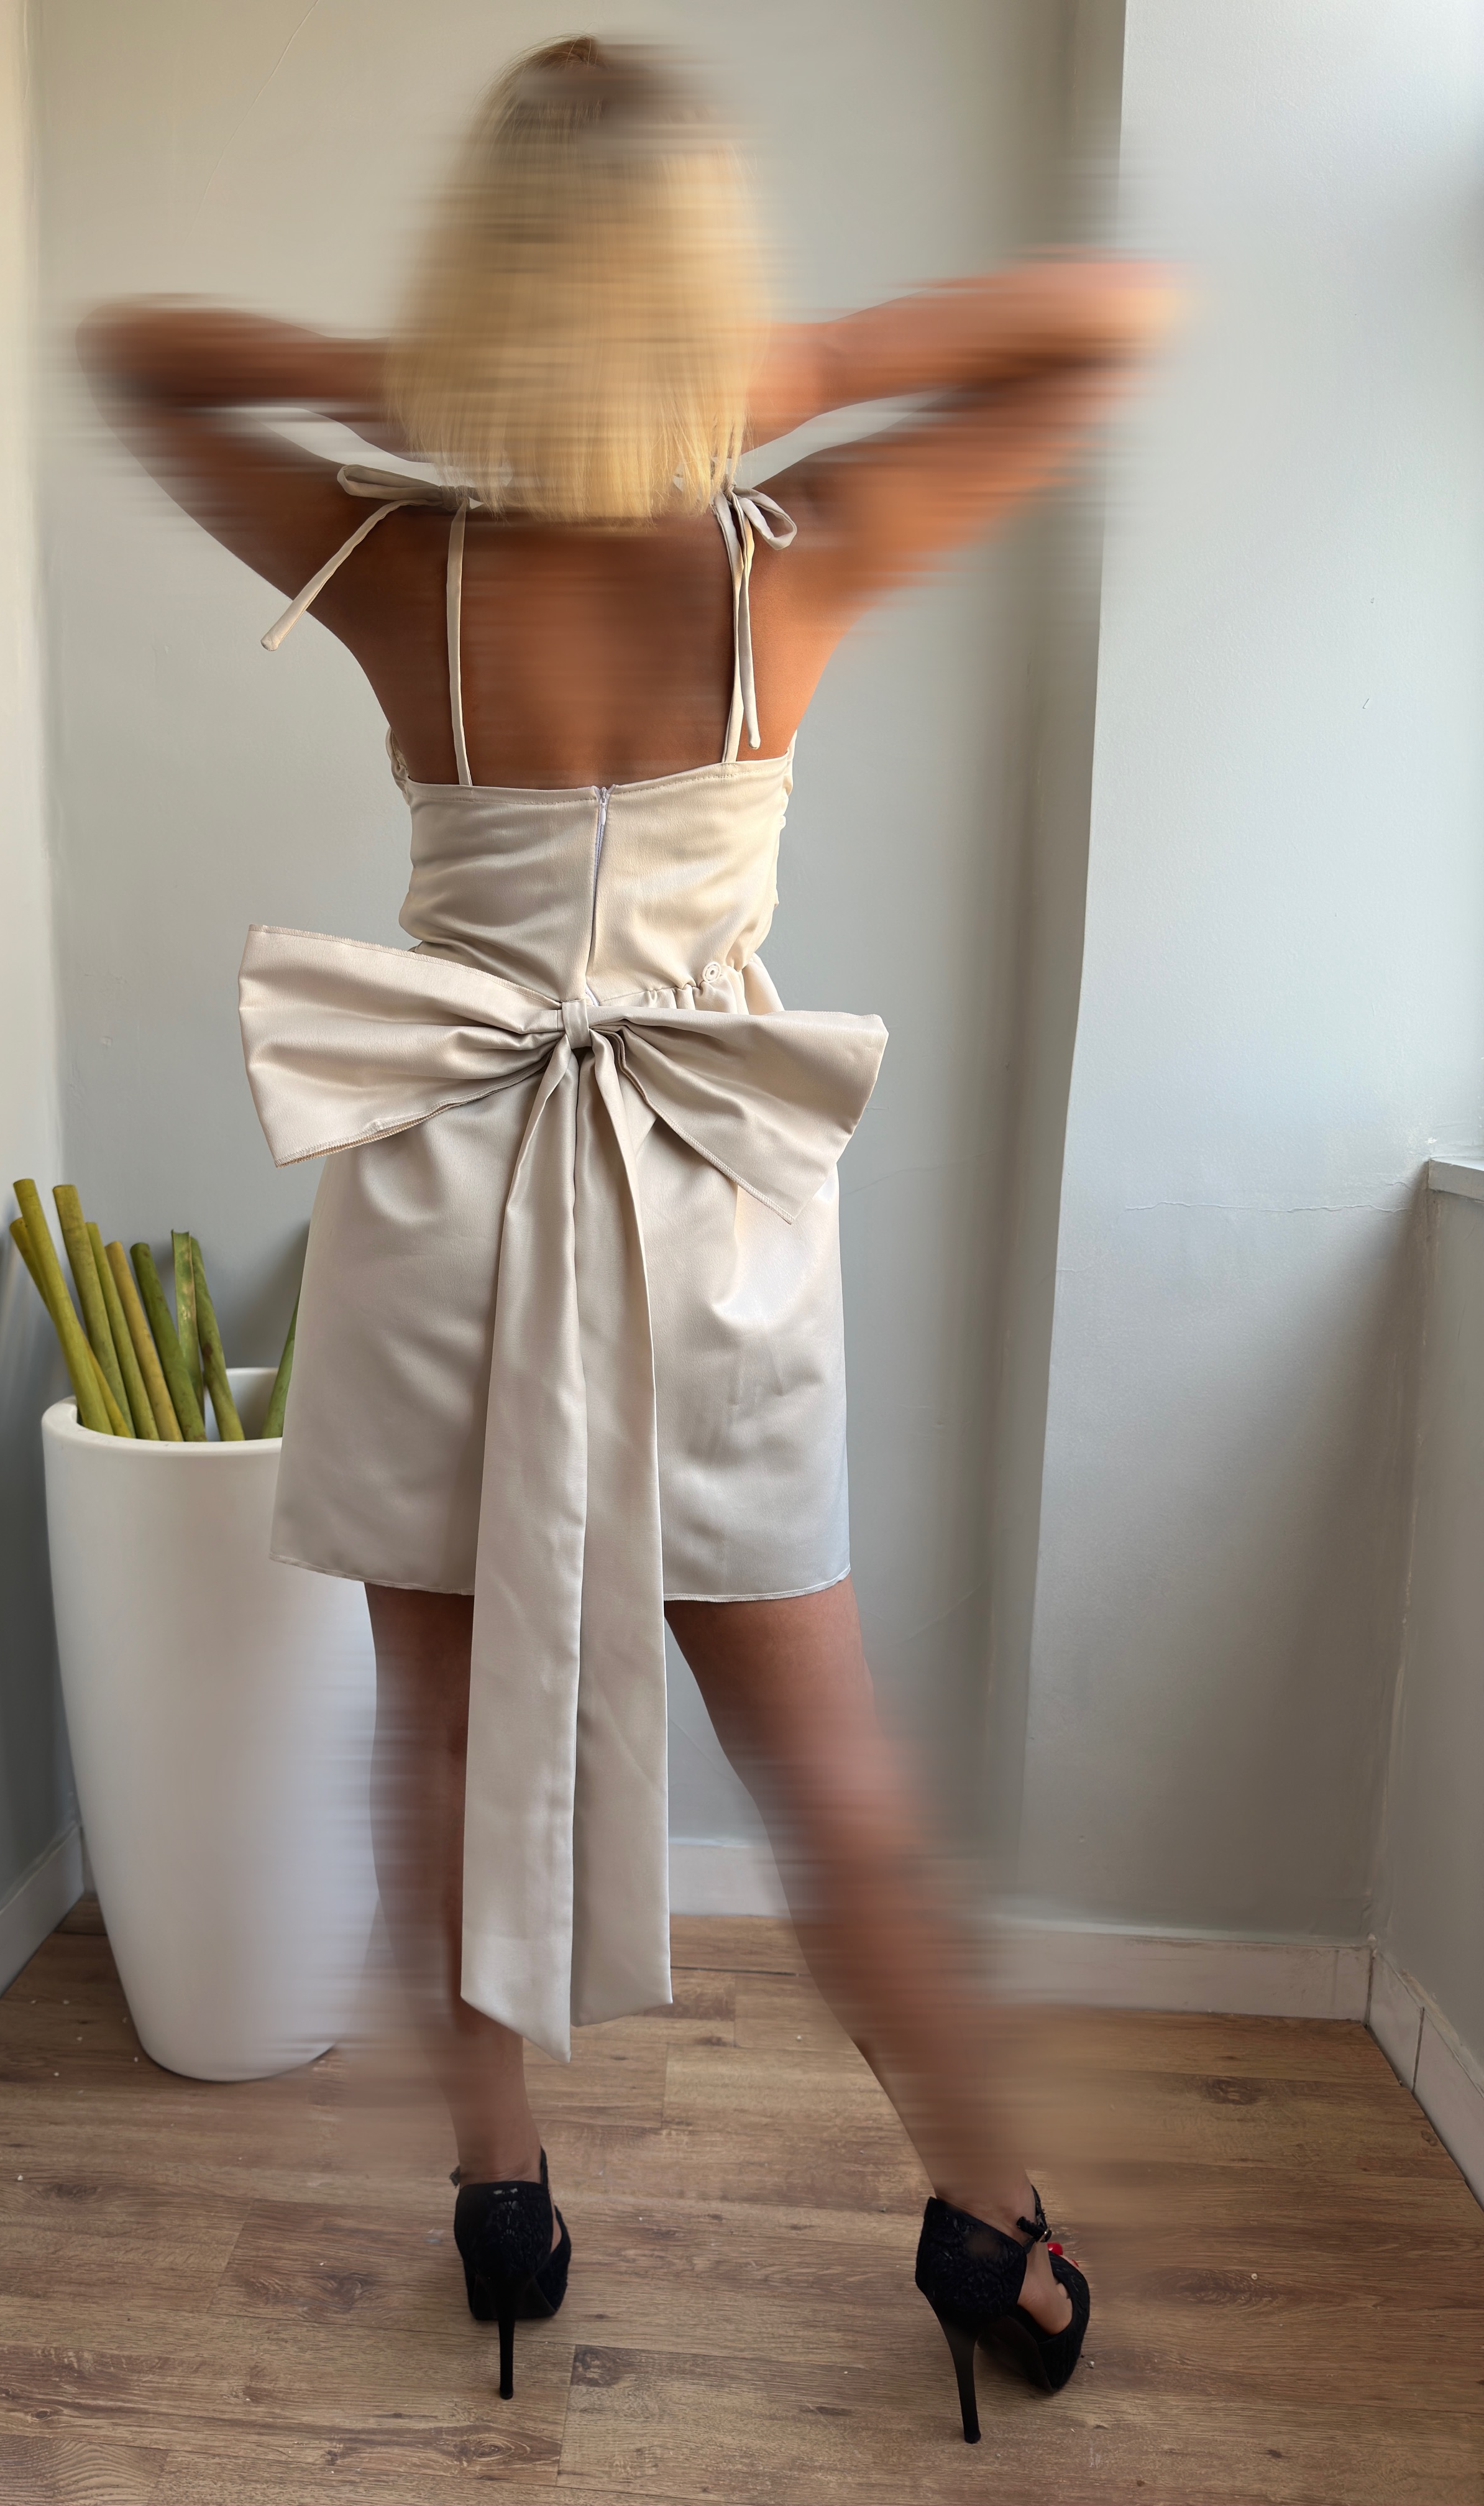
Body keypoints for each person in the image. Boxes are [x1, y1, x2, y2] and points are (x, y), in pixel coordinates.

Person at [81, 34, 1170, 2444]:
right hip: (706, 1217)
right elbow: (1115, 316)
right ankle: (984, 2209)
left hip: (444, 1208)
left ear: (486, 277)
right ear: (706, 286)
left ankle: (502, 2195)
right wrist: (810, 370)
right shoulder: (797, 556)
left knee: (436, 1738)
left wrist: (420, 392)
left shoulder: (400, 569)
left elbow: (132, 353)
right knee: (831, 1767)